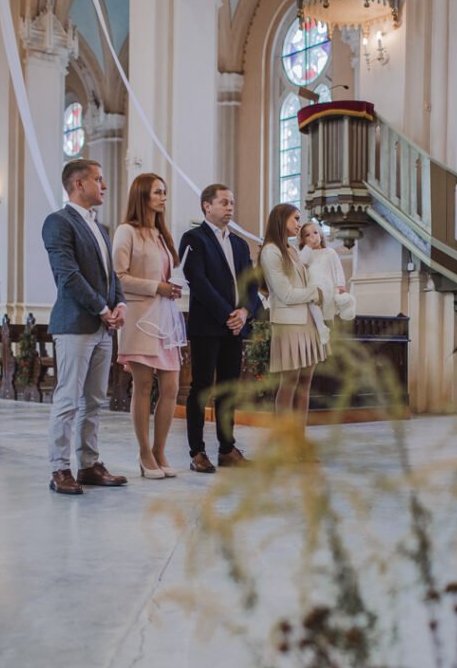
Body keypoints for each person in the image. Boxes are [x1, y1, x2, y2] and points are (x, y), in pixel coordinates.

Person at [43, 159, 128, 495]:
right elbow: (68, 275)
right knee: (68, 399)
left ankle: (89, 464)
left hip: (103, 327)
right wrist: (103, 308)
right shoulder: (58, 222)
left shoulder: (100, 227)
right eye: (98, 179)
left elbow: (111, 276)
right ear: (78, 184)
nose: (104, 185)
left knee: (94, 401)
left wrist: (119, 304)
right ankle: (59, 468)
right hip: (75, 324)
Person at [178, 183, 260, 473]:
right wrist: (228, 314)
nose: (230, 208)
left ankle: (227, 448)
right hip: (207, 325)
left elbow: (251, 284)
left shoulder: (239, 244)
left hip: (235, 327)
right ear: (207, 206)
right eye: (224, 202)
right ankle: (197, 452)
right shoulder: (193, 238)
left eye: (232, 203)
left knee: (228, 389)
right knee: (201, 388)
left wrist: (245, 311)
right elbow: (197, 281)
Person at [112, 174, 185, 479]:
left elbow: (166, 275)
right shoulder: (126, 231)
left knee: (171, 387)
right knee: (143, 386)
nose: (163, 197)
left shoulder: (162, 234)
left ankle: (160, 450)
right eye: (157, 192)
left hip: (165, 318)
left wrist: (173, 286)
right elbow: (119, 277)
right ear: (142, 195)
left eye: (164, 192)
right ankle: (144, 453)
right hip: (140, 316)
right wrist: (157, 287)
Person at [259, 204, 327, 425]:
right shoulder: (271, 251)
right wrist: (315, 293)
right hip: (288, 323)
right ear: (281, 219)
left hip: (307, 321)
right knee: (289, 383)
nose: (299, 223)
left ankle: (300, 437)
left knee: (305, 384)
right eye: (295, 219)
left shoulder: (292, 250)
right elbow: (286, 294)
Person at [298, 221, 356, 342]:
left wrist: (340, 285)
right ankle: (321, 329)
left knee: (328, 313)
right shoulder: (305, 254)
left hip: (327, 288)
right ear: (303, 241)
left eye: (315, 232)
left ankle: (328, 331)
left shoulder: (330, 252)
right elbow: (301, 262)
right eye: (308, 235)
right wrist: (308, 247)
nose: (313, 237)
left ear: (321, 235)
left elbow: (338, 269)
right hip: (313, 288)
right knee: (312, 305)